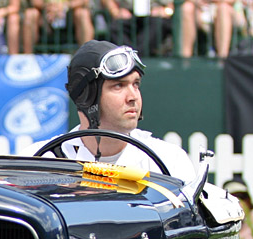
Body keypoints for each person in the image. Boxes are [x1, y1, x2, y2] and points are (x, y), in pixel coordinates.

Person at [41, 40, 199, 194]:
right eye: (119, 86)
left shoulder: (169, 161)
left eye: (136, 84)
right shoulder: (41, 161)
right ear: (86, 97)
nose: (133, 96)